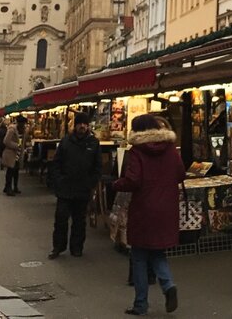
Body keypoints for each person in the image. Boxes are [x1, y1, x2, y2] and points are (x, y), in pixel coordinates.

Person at [113, 114, 184, 315]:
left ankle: (141, 304)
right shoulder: (170, 148)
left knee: (139, 257)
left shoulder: (137, 151)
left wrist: (117, 184)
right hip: (167, 209)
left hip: (144, 208)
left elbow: (133, 180)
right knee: (158, 252)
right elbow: (180, 173)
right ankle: (168, 284)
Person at [49, 112, 102, 259]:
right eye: (80, 124)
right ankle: (58, 247)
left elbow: (98, 166)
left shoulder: (93, 143)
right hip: (65, 188)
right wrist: (58, 180)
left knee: (79, 221)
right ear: (76, 125)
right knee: (61, 220)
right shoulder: (66, 141)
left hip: (82, 188)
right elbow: (56, 163)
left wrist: (91, 183)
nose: (83, 126)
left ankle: (76, 247)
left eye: (85, 124)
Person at [3, 116, 27, 195]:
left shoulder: (23, 130)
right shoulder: (12, 130)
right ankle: (8, 188)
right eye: (23, 124)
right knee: (10, 171)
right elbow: (6, 141)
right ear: (19, 123)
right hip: (11, 153)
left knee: (16, 171)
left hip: (18, 153)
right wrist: (17, 146)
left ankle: (15, 187)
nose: (24, 125)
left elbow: (22, 141)